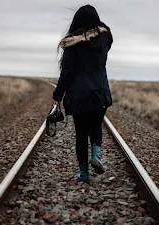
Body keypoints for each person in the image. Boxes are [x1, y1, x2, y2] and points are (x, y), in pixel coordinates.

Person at [53, 5, 113, 183]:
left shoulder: (72, 44)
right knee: (96, 126)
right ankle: (96, 155)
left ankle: (84, 173)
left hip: (79, 94)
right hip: (100, 91)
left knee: (81, 132)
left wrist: (58, 94)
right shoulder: (104, 39)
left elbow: (67, 73)